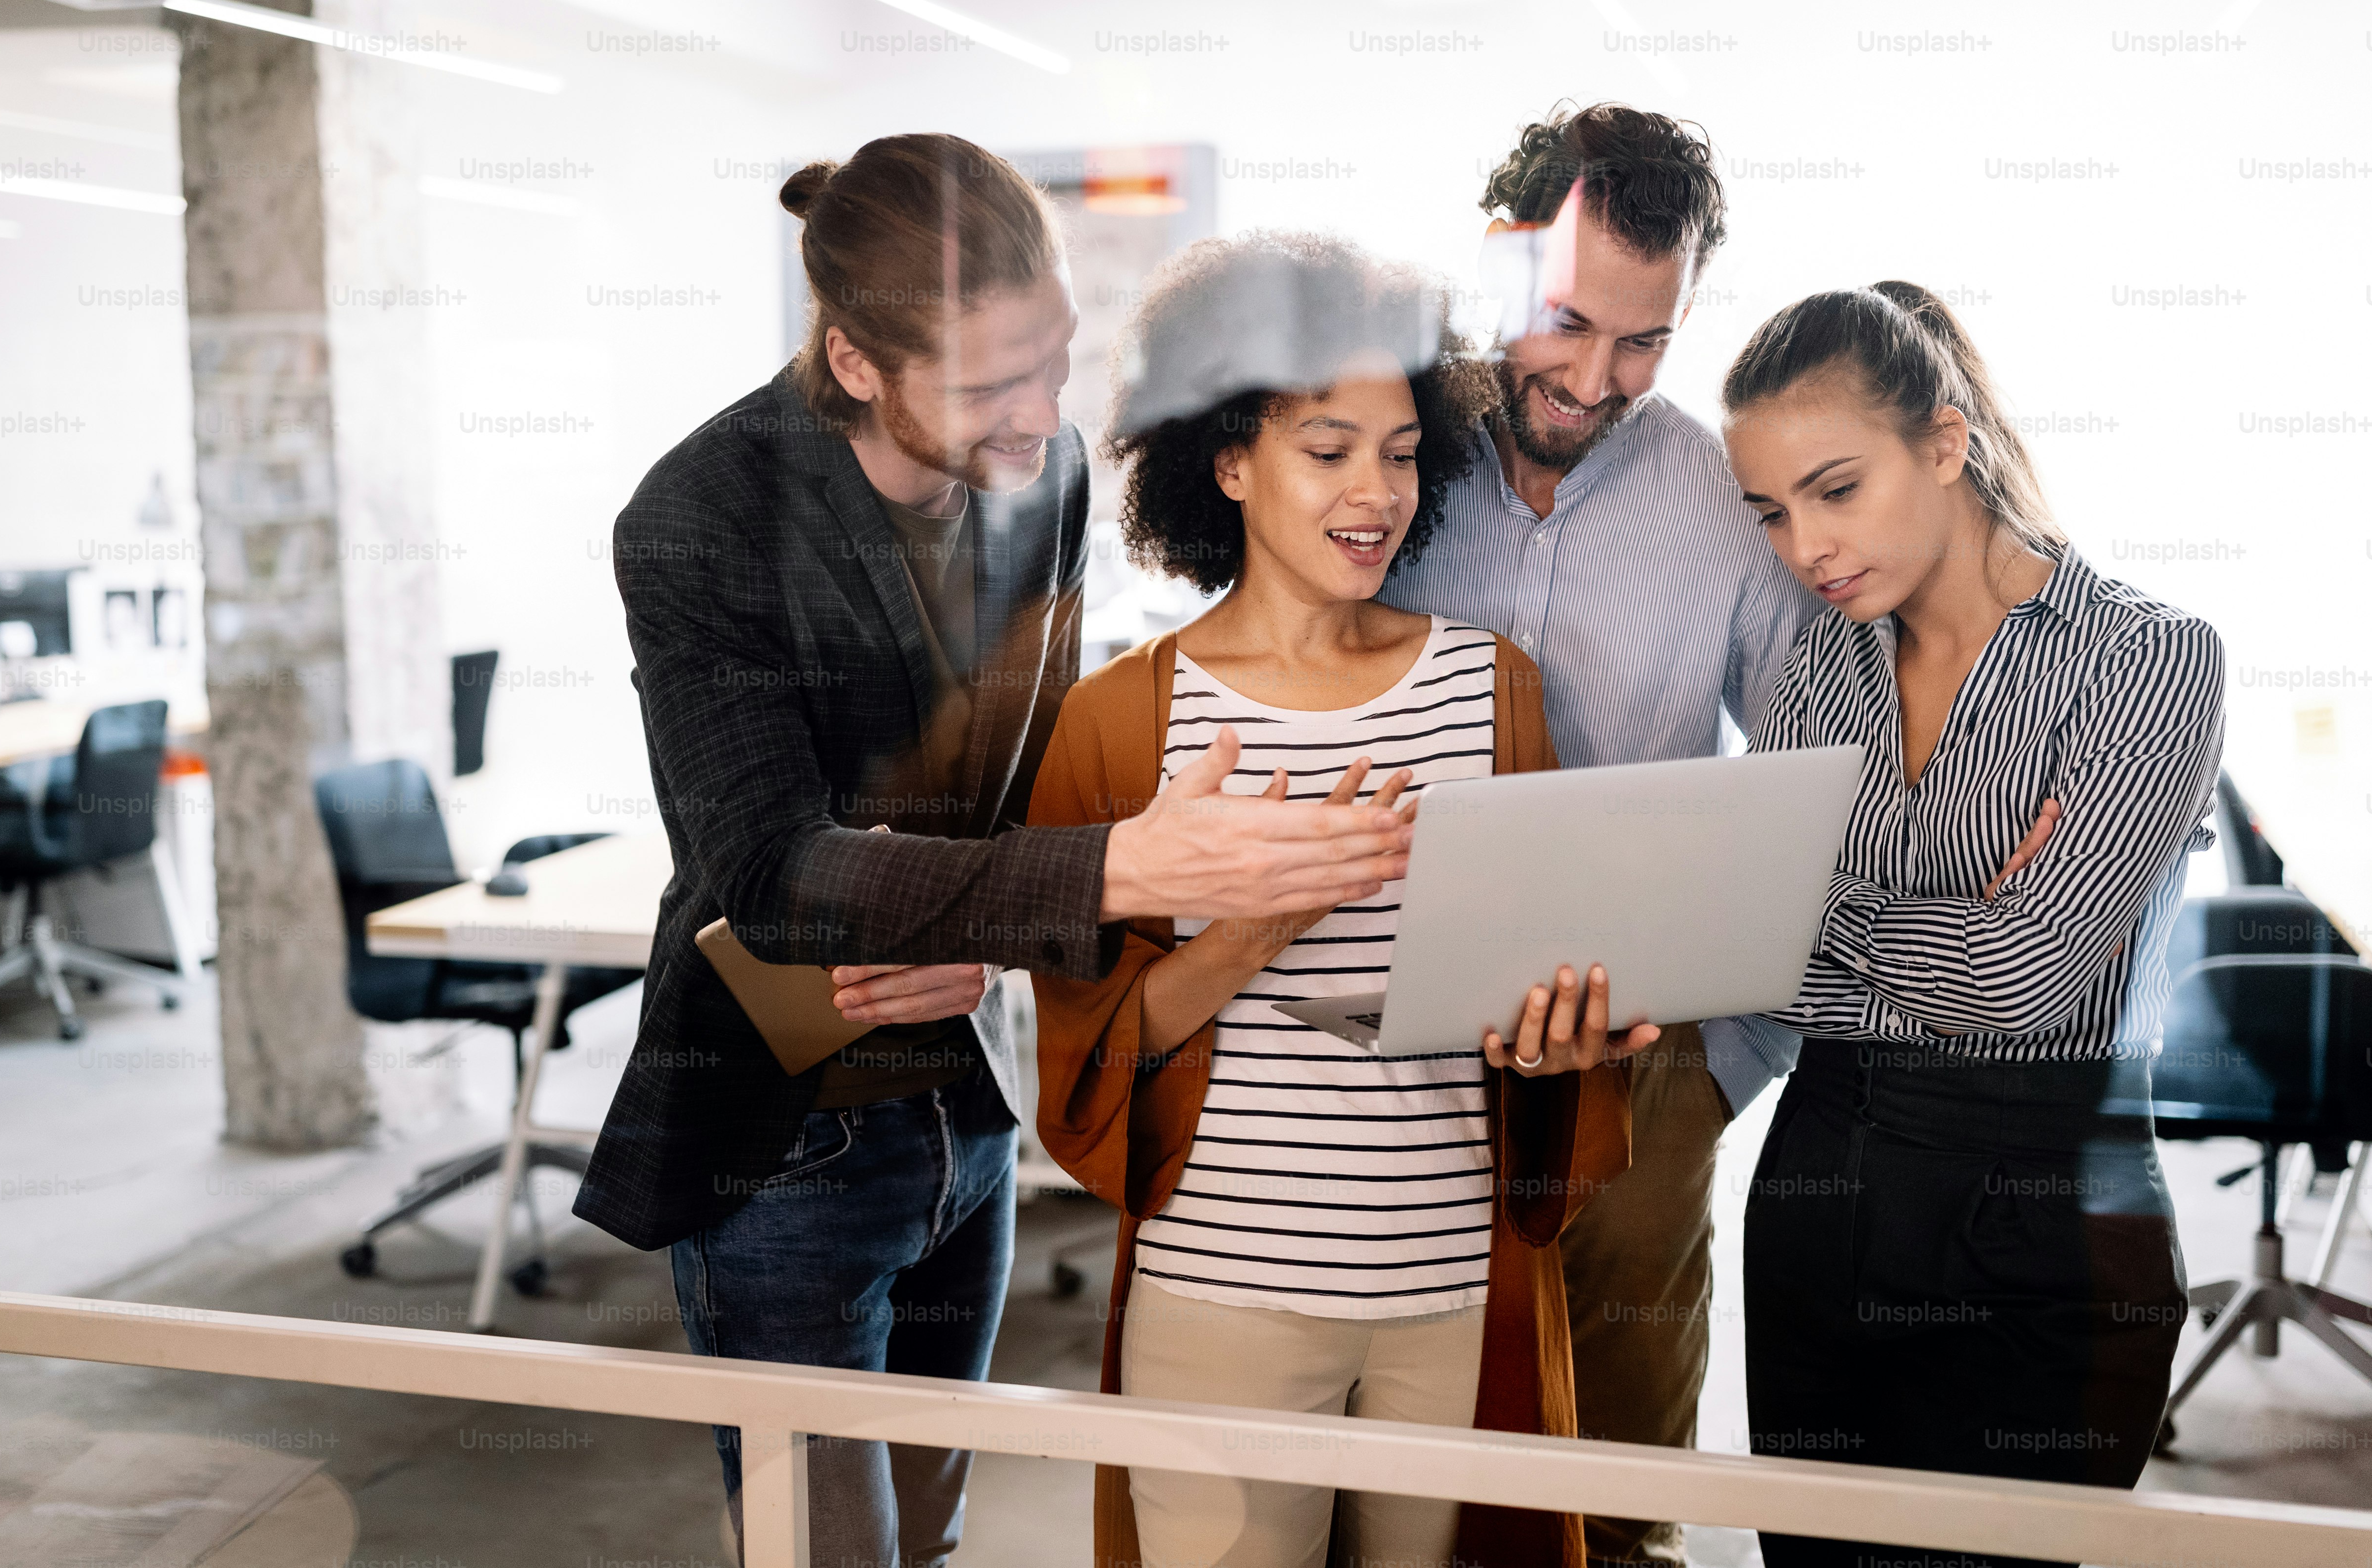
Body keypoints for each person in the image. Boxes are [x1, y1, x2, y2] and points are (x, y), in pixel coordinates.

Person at [572, 136, 1417, 1568]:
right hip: (781, 1135)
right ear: (852, 363)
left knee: (932, 1543)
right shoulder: (698, 518)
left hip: (959, 1105)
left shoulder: (1050, 477)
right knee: (830, 1559)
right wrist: (1118, 874)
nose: (1042, 415)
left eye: (1055, 360)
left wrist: (997, 926)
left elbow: (1011, 784)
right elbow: (773, 867)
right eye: (988, 386)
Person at [1028, 231, 1658, 1568]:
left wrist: (1562, 1037)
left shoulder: (1491, 687)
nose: (1373, 491)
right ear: (1229, 460)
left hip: (1448, 1293)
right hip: (1222, 1303)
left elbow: (1529, 1005)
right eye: (1327, 452)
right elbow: (1094, 1058)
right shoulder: (1117, 722)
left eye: (1400, 450)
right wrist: (1261, 918)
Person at [1377, 100, 1820, 1565]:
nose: (1594, 376)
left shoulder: (1719, 498)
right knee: (1397, 1492)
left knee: (1618, 1503)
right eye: (1565, 324)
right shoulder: (1381, 454)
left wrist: (1722, 1064)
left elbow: (1809, 777)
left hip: (1640, 1067)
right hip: (1394, 1056)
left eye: (1643, 342)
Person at [1722, 281, 2223, 1568]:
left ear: (1943, 444)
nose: (1803, 547)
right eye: (1770, 512)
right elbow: (1756, 964)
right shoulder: (1814, 668)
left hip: (2043, 1212)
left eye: (1836, 490)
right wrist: (1960, 923)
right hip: (1819, 1188)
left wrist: (1807, 906)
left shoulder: (2146, 659)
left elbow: (2015, 982)